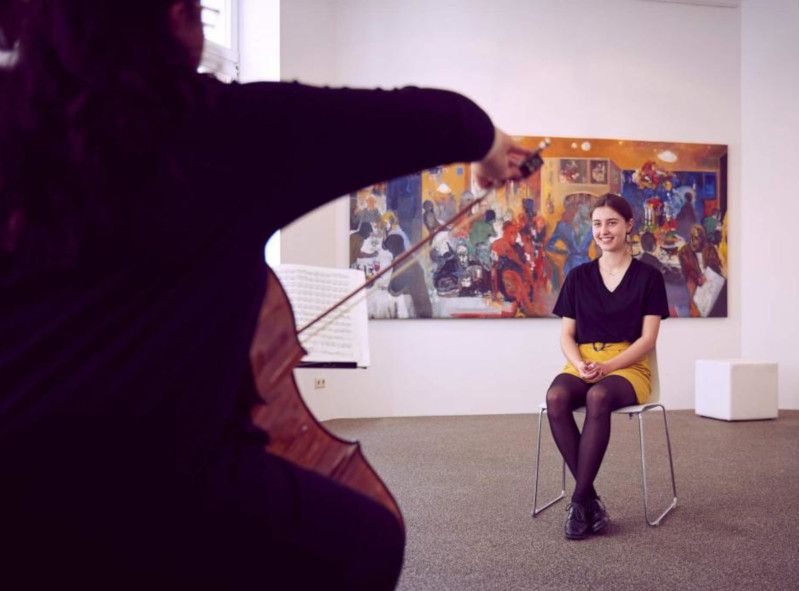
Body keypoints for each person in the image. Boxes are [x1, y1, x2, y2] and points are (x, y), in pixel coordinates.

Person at [0, 1, 530, 588]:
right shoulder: (221, 126)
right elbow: (445, 118)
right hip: (151, 483)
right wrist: (492, 147)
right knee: (365, 541)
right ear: (177, 16)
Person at [545, 193, 669, 540]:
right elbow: (566, 335)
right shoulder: (578, 276)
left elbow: (648, 340)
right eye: (597, 223)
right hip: (583, 360)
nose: (603, 230)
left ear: (629, 225)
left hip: (629, 365)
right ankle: (590, 501)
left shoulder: (649, 277)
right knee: (556, 397)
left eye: (611, 222)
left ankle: (580, 499)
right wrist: (580, 363)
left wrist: (608, 366)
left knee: (599, 397)